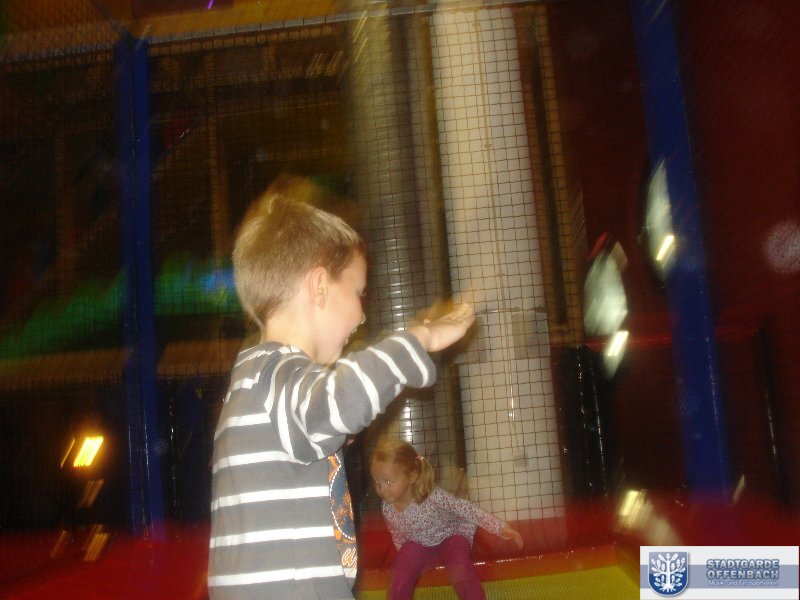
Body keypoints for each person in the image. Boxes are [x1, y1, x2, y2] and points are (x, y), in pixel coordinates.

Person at [207, 174, 475, 599]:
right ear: (319, 287)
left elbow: (324, 421)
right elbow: (341, 398)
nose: (361, 316)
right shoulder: (279, 373)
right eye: (357, 293)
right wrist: (420, 339)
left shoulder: (257, 377)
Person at [370, 438, 524, 600]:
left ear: (411, 476)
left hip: (451, 536)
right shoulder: (387, 508)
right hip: (420, 545)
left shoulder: (430, 495)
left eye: (388, 481)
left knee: (460, 568)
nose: (381, 489)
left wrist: (499, 527)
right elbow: (397, 535)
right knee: (400, 571)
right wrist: (409, 564)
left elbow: (466, 509)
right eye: (377, 481)